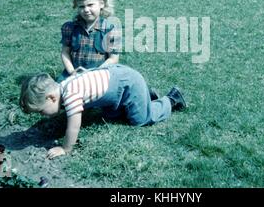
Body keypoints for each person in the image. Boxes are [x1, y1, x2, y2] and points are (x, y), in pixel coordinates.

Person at [19, 64, 187, 159]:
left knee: (140, 120)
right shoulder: (64, 85)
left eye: (41, 112)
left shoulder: (70, 95)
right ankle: (145, 97)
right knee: (111, 115)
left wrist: (66, 148)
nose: (43, 116)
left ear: (51, 98)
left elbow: (74, 126)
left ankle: (170, 100)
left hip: (127, 83)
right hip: (118, 81)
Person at [58, 0, 120, 82]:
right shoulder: (70, 28)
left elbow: (113, 59)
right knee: (59, 91)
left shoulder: (110, 28)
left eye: (90, 5)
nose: (86, 10)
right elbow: (65, 53)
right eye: (81, 6)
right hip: (74, 74)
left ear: (101, 4)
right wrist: (72, 72)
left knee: (105, 95)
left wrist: (94, 74)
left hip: (100, 74)